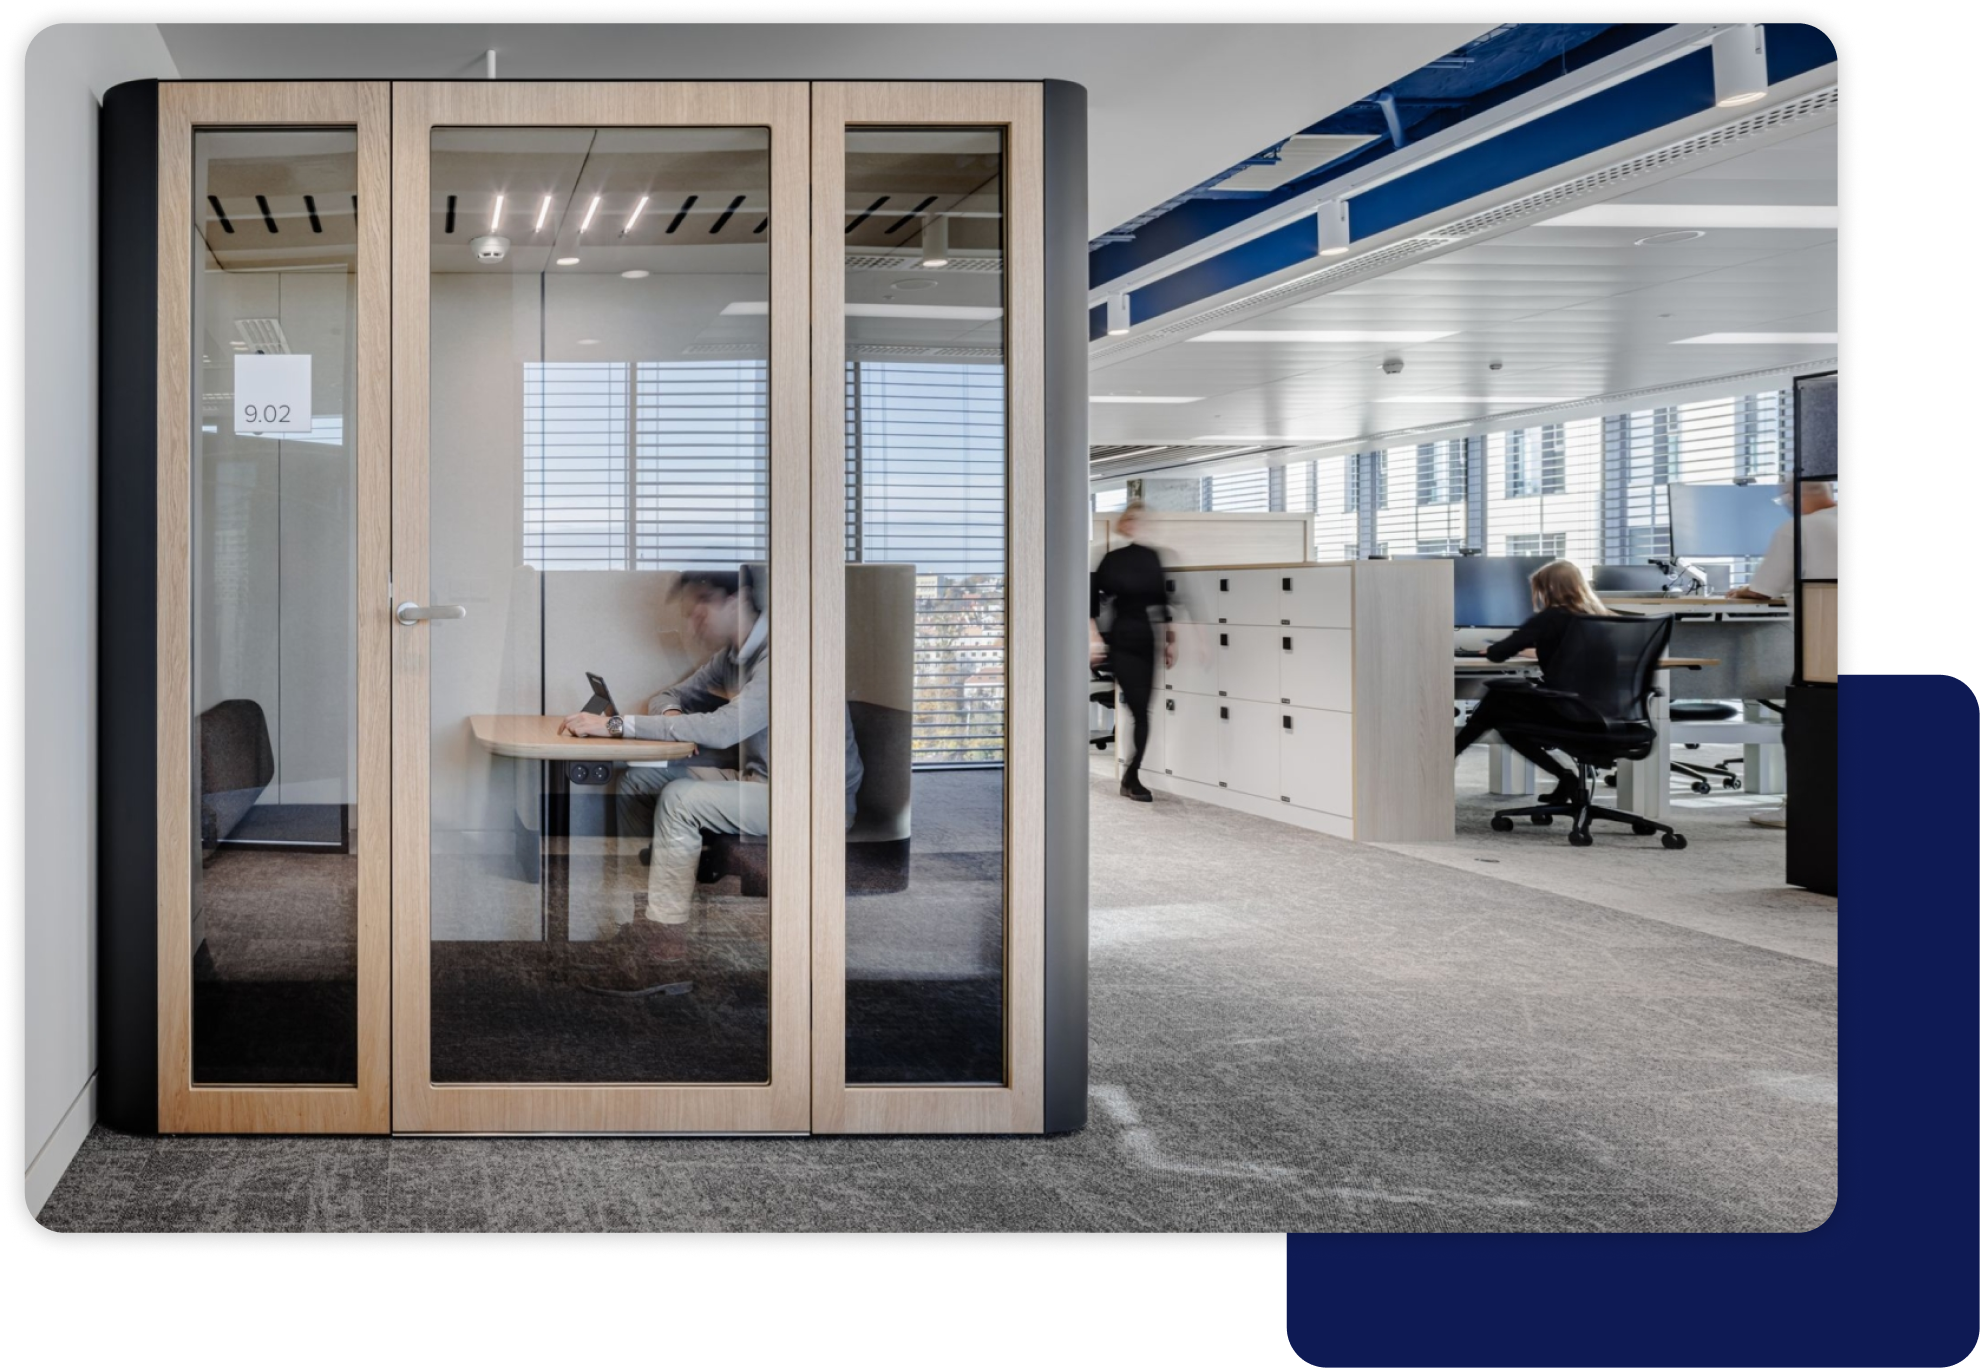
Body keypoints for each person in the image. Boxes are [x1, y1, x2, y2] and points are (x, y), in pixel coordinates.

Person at [561, 566, 863, 988]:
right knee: (636, 783)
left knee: (681, 800)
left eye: (702, 605)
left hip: (808, 798)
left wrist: (613, 726)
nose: (693, 620)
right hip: (759, 782)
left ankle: (666, 953)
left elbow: (721, 729)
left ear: (736, 600)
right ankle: (651, 918)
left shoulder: (784, 653)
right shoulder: (732, 659)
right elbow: (668, 696)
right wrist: (671, 716)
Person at [1452, 559, 1615, 807]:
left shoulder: (1551, 616)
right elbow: (1573, 654)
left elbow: (1498, 654)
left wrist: (1494, 648)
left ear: (1548, 589)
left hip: (1565, 709)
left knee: (1498, 699)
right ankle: (1564, 778)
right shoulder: (1600, 617)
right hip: (1602, 713)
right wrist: (1534, 651)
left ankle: (1448, 756)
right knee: (1505, 719)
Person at [1090, 499, 1176, 802]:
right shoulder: (1112, 559)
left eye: (1144, 519)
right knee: (1137, 708)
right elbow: (1090, 598)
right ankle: (1130, 776)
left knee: (1143, 714)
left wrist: (1170, 641)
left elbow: (1162, 604)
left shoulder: (1153, 558)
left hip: (1146, 641)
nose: (1140, 524)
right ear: (1125, 524)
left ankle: (1131, 775)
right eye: (1134, 519)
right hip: (1122, 641)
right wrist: (1093, 637)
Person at [1728, 479, 1838, 602]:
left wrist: (1740, 591)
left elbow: (1759, 591)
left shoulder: (1798, 527)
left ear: (1791, 497)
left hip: (1819, 616)